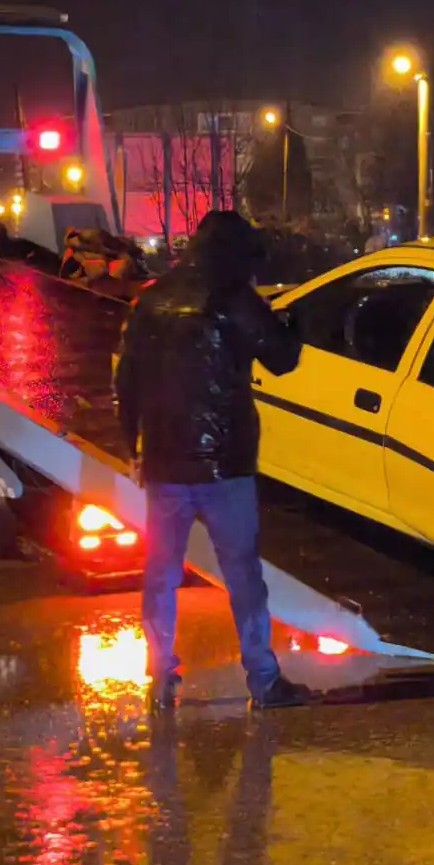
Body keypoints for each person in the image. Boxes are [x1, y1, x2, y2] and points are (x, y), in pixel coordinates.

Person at [114, 211, 312, 712]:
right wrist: (296, 322)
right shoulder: (236, 300)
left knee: (161, 573)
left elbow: (127, 379)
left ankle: (160, 676)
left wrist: (131, 447)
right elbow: (283, 358)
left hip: (164, 464)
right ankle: (264, 680)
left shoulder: (152, 299)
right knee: (243, 574)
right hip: (226, 465)